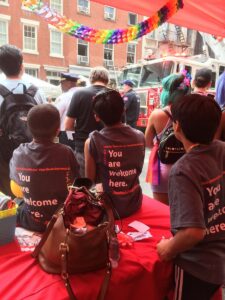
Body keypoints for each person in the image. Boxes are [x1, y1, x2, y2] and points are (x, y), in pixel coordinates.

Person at [157, 94, 224, 299]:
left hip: (197, 267)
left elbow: (192, 232)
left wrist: (167, 249)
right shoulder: (222, 149)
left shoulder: (183, 169)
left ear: (177, 127)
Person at [9, 104, 79, 232]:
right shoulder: (66, 152)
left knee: (17, 200)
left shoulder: (18, 152)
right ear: (58, 130)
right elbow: (74, 179)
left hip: (31, 221)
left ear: (29, 129)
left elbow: (15, 189)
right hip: (61, 219)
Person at [84, 89, 145, 218]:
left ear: (96, 116)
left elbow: (90, 180)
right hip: (134, 203)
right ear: (124, 110)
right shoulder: (140, 136)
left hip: (107, 209)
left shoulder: (92, 142)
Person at [0, 44, 46, 196]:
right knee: (34, 190)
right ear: (21, 65)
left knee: (9, 195)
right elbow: (47, 119)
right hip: (34, 152)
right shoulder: (36, 91)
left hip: (5, 154)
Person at [145, 74, 190, 204]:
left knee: (164, 213)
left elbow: (147, 143)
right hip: (186, 168)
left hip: (163, 171)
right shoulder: (190, 112)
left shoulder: (157, 114)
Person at [65, 66, 109, 177]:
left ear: (91, 79)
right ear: (107, 80)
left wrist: (73, 139)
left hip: (82, 147)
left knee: (84, 187)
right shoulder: (115, 95)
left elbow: (68, 125)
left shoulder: (79, 94)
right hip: (109, 149)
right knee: (105, 187)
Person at [54, 72, 80, 149]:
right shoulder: (85, 94)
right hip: (83, 134)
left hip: (67, 134)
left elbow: (55, 116)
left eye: (62, 83)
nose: (61, 86)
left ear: (68, 83)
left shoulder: (64, 96)